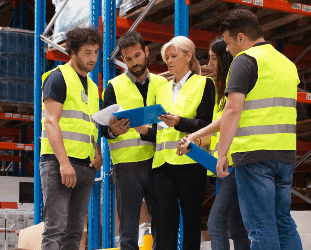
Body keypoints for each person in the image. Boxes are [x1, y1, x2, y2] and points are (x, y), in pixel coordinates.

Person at [178, 9, 302, 250]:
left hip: (254, 156)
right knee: (283, 223)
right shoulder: (287, 64)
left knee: (260, 226)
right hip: (285, 155)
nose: (227, 49)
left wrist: (222, 153)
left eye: (228, 42)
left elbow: (232, 111)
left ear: (242, 37)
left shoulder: (245, 61)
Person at [101, 31, 168, 250]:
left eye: (138, 55)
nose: (134, 62)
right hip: (126, 166)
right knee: (128, 229)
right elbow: (104, 129)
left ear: (147, 51)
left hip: (158, 162)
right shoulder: (113, 86)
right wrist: (112, 131)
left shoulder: (162, 84)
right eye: (128, 59)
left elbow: (171, 125)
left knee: (162, 223)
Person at [39, 26, 104, 250]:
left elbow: (90, 126)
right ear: (73, 52)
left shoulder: (93, 88)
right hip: (60, 165)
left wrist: (98, 153)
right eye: (87, 52)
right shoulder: (58, 78)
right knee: (55, 229)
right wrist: (64, 164)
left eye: (96, 52)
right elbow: (50, 122)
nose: (93, 58)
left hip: (86, 167)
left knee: (74, 233)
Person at [150, 36, 217, 250]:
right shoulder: (161, 89)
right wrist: (144, 130)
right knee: (164, 222)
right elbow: (158, 129)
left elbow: (205, 123)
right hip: (162, 165)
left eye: (173, 56)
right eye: (166, 57)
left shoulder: (204, 84)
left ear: (189, 56)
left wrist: (180, 122)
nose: (169, 61)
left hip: (190, 162)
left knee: (191, 220)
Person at [190, 37, 251, 250]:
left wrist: (194, 134)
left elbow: (226, 120)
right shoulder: (222, 91)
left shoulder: (233, 92)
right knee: (236, 227)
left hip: (234, 164)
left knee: (216, 223)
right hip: (223, 167)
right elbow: (220, 127)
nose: (210, 64)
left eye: (214, 59)